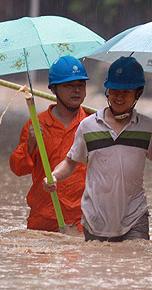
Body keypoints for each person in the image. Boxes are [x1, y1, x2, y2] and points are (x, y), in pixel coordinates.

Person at [44, 56, 152, 242]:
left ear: (138, 92)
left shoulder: (147, 127)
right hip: (95, 219)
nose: (119, 97)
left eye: (126, 91)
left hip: (135, 218)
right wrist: (54, 176)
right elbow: (70, 162)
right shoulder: (88, 126)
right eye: (114, 90)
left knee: (135, 264)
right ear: (107, 91)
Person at [9, 56, 91, 232]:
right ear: (53, 89)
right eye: (69, 85)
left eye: (81, 85)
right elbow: (18, 168)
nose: (76, 90)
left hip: (82, 220)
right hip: (43, 219)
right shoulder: (36, 125)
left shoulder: (93, 124)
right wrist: (31, 143)